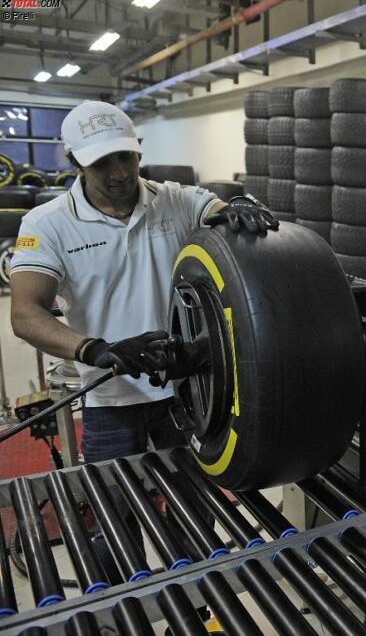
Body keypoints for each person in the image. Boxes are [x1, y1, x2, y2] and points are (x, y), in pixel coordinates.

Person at [8, 100, 277, 584]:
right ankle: (122, 608)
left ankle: (193, 605)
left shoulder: (173, 199)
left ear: (138, 152)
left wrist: (240, 205)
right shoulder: (47, 223)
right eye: (101, 163)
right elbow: (26, 314)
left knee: (194, 508)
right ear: (74, 163)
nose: (118, 172)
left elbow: (216, 207)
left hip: (187, 394)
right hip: (111, 397)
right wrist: (96, 350)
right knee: (116, 517)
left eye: (126, 158)